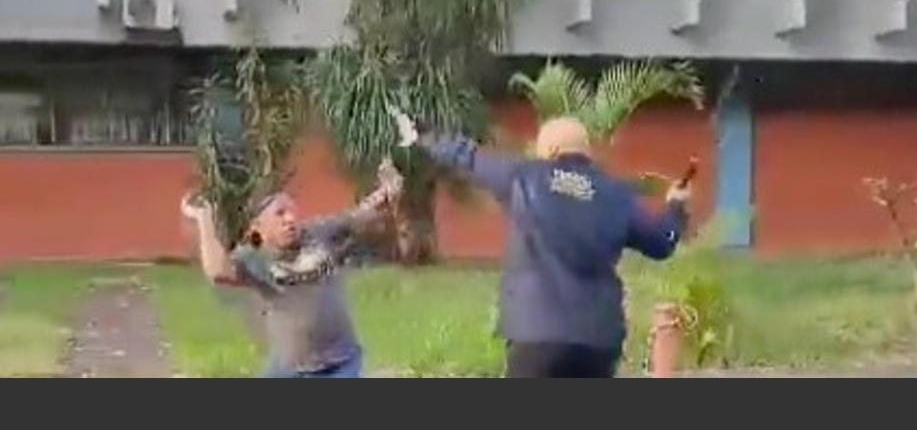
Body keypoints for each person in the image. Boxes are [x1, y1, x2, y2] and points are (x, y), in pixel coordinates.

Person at [399, 114, 691, 378]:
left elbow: (467, 156)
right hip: (598, 342)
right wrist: (676, 206)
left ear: (548, 150)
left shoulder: (523, 176)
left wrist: (425, 137)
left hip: (535, 336)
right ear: (586, 152)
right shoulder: (617, 195)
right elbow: (662, 242)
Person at [180, 159, 403, 379]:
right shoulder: (254, 258)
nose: (290, 218)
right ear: (258, 227)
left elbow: (361, 214)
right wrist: (204, 217)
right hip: (290, 368)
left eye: (292, 211)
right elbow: (218, 271)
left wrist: (388, 190)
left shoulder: (318, 232)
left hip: (340, 364)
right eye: (280, 214)